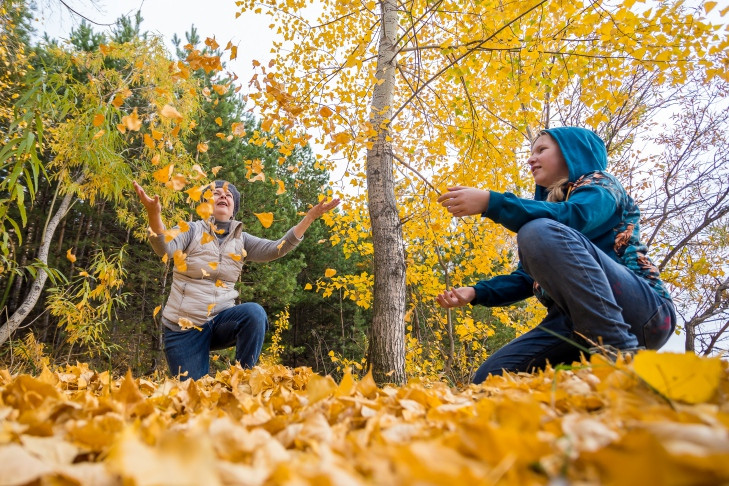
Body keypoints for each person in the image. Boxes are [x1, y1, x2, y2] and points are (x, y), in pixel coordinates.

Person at [435, 127, 675, 384]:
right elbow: (525, 279)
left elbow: (576, 217)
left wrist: (492, 203)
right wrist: (475, 292)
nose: (531, 159)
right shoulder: (548, 224)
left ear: (572, 153)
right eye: (531, 152)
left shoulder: (601, 186)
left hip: (641, 312)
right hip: (575, 325)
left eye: (541, 150)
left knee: (537, 230)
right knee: (491, 380)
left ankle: (618, 350)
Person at [133, 179, 339, 380]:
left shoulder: (242, 240)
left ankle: (243, 379)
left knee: (254, 313)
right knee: (194, 397)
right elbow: (164, 249)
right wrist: (154, 214)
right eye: (216, 193)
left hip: (221, 322)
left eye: (228, 195)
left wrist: (310, 217)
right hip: (183, 328)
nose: (223, 195)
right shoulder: (191, 230)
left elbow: (277, 248)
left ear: (233, 210)